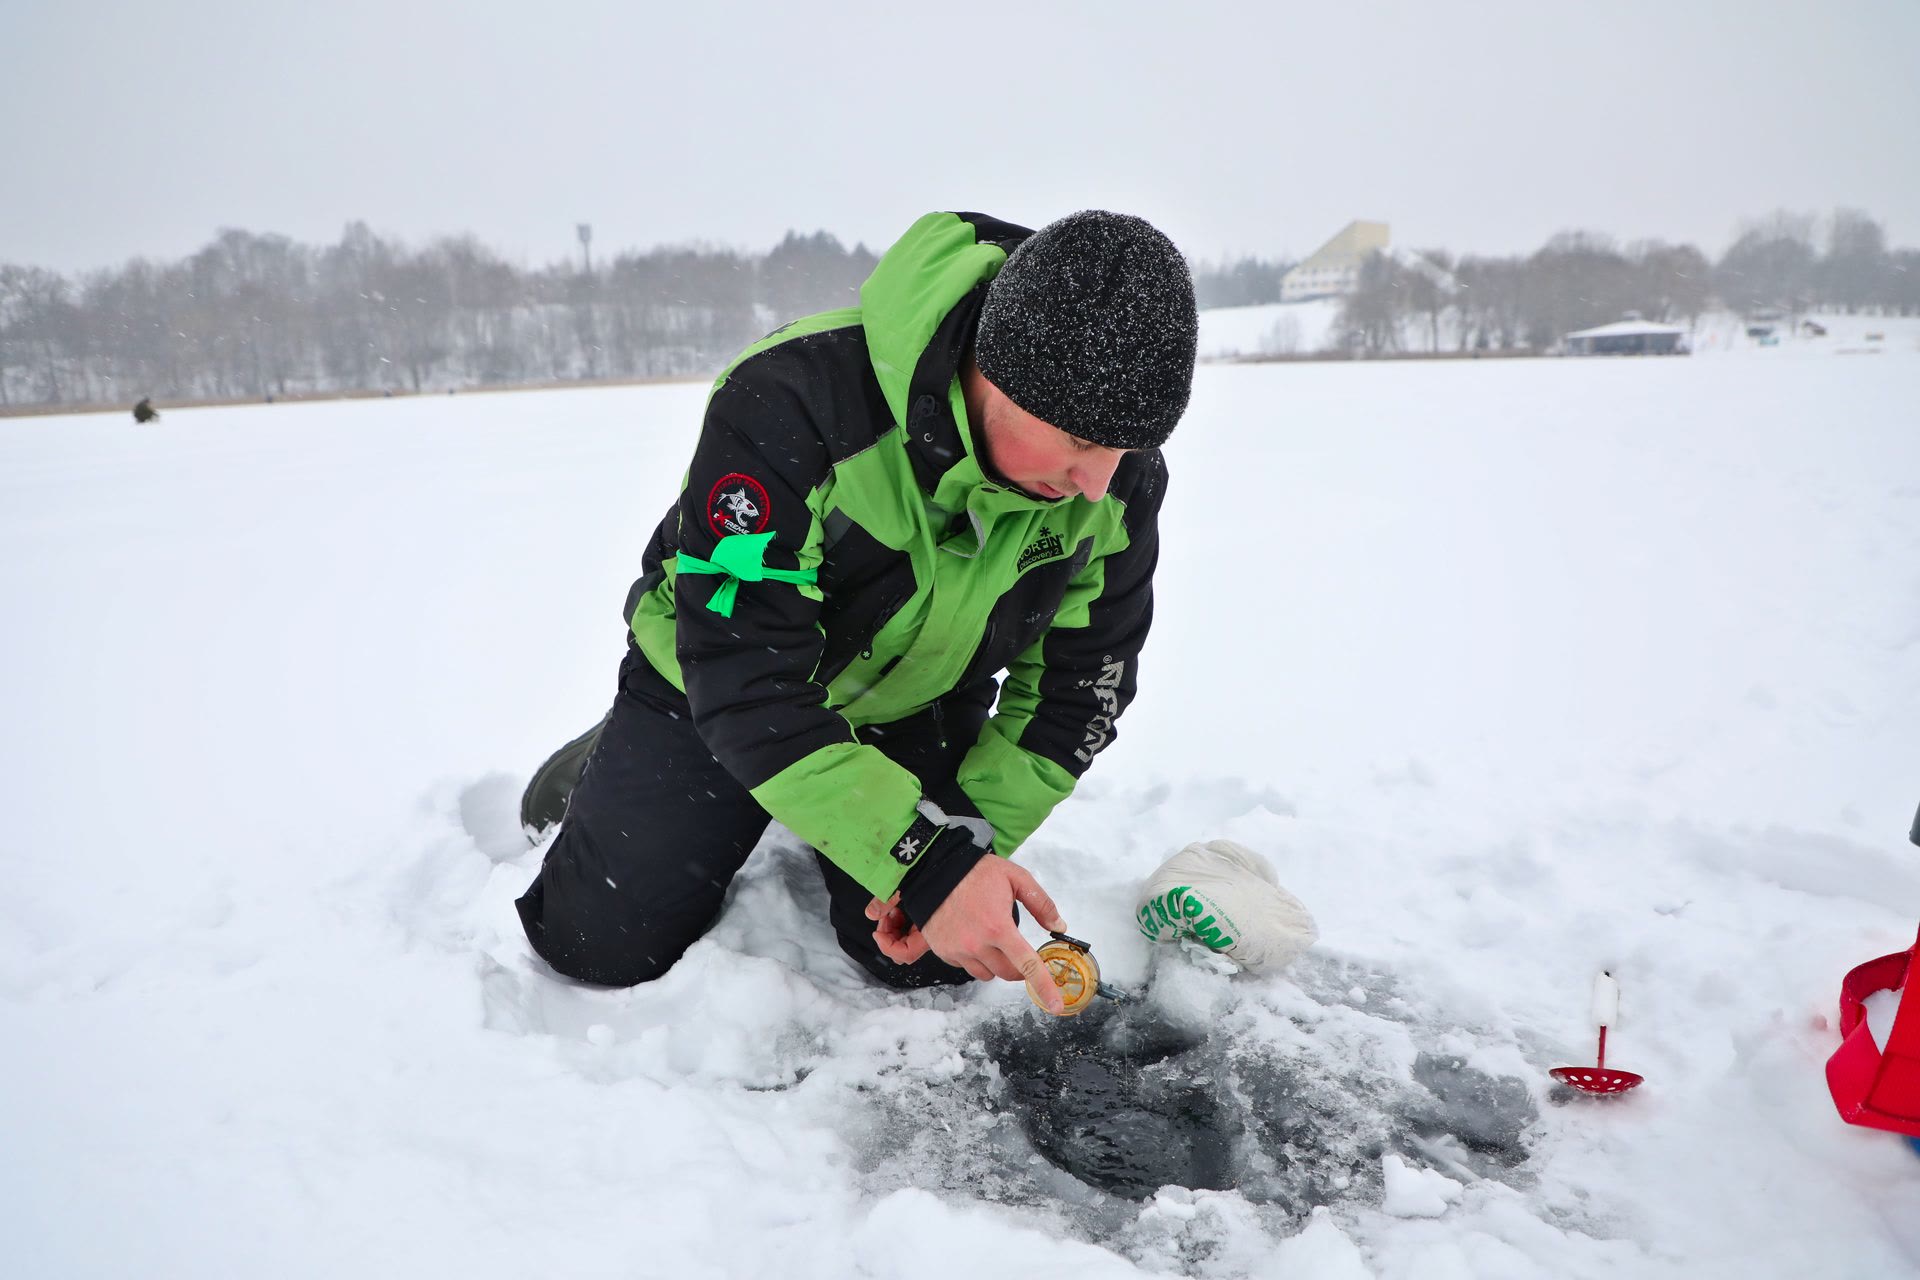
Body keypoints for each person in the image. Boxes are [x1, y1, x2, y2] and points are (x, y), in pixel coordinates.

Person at [514, 210, 1197, 1012]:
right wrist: (926, 860)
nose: (1097, 482)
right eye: (1078, 444)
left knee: (930, 958)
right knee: (595, 945)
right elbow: (746, 678)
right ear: (994, 373)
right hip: (719, 687)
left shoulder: (1116, 480)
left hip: (917, 700)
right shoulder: (790, 402)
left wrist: (955, 856)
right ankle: (617, 758)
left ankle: (838, 796)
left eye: (1127, 449)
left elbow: (1079, 690)